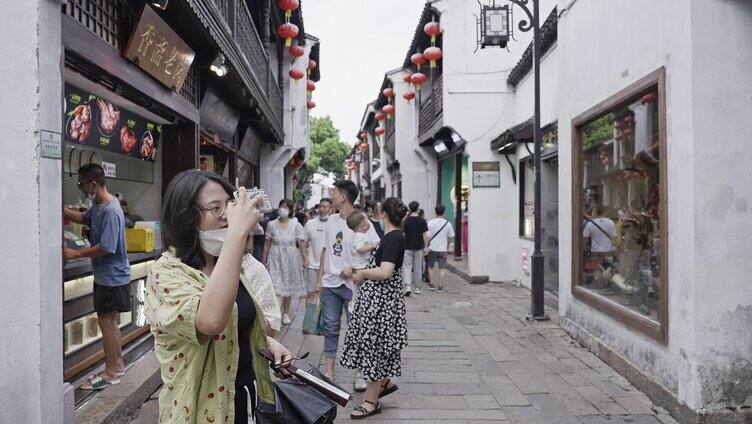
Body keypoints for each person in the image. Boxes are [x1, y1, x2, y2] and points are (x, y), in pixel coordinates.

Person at [144, 171, 293, 424]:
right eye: (215, 208)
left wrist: (266, 343)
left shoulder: (240, 265)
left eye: (229, 204)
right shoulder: (165, 273)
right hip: (198, 410)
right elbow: (210, 322)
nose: (227, 215)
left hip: (246, 402)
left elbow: (239, 326)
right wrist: (237, 234)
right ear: (186, 216)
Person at [64, 164, 131, 390]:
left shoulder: (111, 210)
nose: (81, 188)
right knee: (107, 322)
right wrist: (61, 209)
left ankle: (113, 370)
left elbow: (107, 247)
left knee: (107, 322)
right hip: (105, 277)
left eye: (82, 183)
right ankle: (116, 367)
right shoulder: (98, 205)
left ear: (93, 184)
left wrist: (77, 253)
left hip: (113, 277)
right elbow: (84, 218)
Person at [340, 197, 408, 419]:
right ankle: (384, 383)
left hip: (380, 307)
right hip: (380, 305)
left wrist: (363, 273)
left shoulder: (392, 238)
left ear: (384, 215)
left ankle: (371, 402)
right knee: (376, 350)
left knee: (373, 351)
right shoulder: (392, 237)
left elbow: (385, 271)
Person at [315, 180, 379, 392]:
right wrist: (319, 280)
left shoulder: (362, 220)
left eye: (334, 192)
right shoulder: (331, 220)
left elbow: (375, 249)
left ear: (344, 196)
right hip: (330, 284)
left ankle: (360, 373)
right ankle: (330, 374)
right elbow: (326, 249)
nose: (330, 195)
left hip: (354, 287)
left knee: (357, 329)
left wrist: (353, 267)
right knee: (331, 328)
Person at [263, 199, 307, 325]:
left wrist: (305, 258)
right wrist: (264, 260)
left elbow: (302, 242)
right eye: (282, 206)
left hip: (291, 260)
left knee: (287, 287)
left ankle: (286, 313)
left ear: (291, 210)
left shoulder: (296, 225)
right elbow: (267, 244)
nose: (283, 209)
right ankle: (276, 314)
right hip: (275, 258)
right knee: (276, 288)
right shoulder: (272, 224)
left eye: (286, 207)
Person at [301, 198, 332, 305]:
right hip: (313, 265)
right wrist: (305, 258)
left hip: (329, 268)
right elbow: (303, 242)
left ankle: (322, 320)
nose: (322, 209)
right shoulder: (310, 223)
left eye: (325, 207)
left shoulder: (334, 224)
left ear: (331, 209)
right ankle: (309, 321)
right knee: (311, 294)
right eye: (320, 206)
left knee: (326, 296)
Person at [402, 201, 429, 296]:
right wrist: (426, 247)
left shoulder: (406, 220)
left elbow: (403, 234)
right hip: (418, 247)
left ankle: (408, 286)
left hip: (407, 246)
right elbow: (425, 235)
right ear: (417, 209)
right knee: (418, 267)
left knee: (407, 266)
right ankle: (417, 287)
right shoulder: (422, 221)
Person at [426, 204, 455, 292]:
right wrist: (447, 245)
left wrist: (426, 247)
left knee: (430, 267)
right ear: (444, 212)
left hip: (432, 248)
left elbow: (427, 236)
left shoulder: (430, 222)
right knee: (442, 268)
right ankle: (441, 286)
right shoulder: (448, 223)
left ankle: (431, 284)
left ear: (435, 212)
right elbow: (450, 236)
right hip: (443, 249)